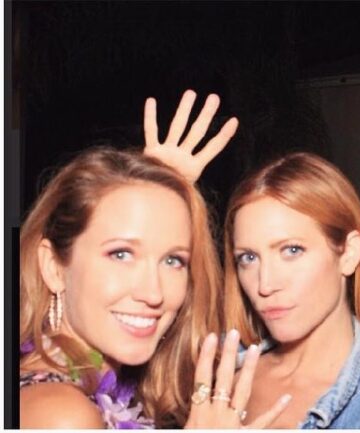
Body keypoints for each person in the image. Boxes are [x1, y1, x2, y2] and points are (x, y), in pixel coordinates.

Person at [19, 145, 288, 429]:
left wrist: (152, 190)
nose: (153, 293)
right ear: (53, 267)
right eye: (121, 254)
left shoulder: (84, 387)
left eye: (173, 260)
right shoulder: (60, 415)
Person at [220, 152, 360, 428]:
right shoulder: (214, 368)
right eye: (249, 258)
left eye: (292, 250)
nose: (265, 285)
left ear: (348, 253)